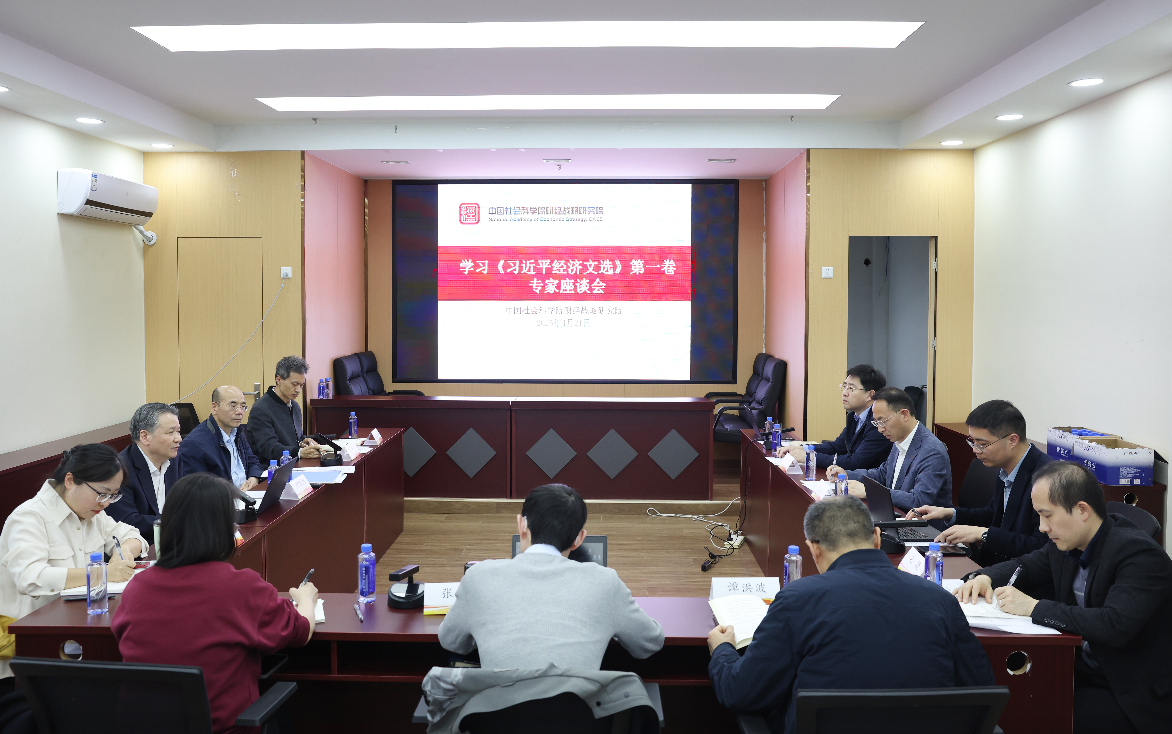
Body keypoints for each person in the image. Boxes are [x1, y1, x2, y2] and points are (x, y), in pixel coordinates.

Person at [708, 496, 993, 734]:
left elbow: (741, 692)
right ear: (877, 538)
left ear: (814, 550)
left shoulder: (798, 600)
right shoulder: (940, 601)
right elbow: (982, 692)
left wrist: (722, 650)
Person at [955, 462, 1172, 734]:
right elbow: (1027, 565)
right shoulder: (1067, 541)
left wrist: (1034, 607)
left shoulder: (1138, 554)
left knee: (1031, 717)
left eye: (1047, 516)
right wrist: (984, 577)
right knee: (1001, 697)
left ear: (1082, 510)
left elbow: (1114, 625)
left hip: (1126, 687)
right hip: (1078, 665)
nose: (1042, 527)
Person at [112, 473, 318, 734]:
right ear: (224, 529)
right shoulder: (239, 586)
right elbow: (300, 631)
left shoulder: (137, 588)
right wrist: (306, 600)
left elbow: (121, 635)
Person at [439, 484, 664, 670]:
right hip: (577, 712)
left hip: (497, 711)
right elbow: (649, 643)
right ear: (579, 539)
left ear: (521, 525)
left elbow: (451, 641)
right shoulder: (605, 582)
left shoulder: (479, 576)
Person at [0, 444, 146, 690]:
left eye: (113, 495)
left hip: (80, 636)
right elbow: (31, 578)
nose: (106, 503)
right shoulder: (29, 517)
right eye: (102, 493)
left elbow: (132, 535)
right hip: (33, 652)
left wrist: (124, 553)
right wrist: (102, 573)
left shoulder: (92, 513)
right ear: (70, 480)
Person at [910, 400, 1051, 566]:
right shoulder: (1006, 468)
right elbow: (992, 515)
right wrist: (948, 513)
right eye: (973, 442)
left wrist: (983, 534)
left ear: (1012, 440)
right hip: (997, 563)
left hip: (1021, 572)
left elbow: (1041, 546)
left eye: (982, 445)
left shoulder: (1047, 479)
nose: (975, 450)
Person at [827, 387, 952, 520]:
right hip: (893, 514)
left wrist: (870, 492)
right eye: (876, 422)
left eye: (883, 421)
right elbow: (883, 474)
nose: (880, 429)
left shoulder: (931, 451)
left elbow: (918, 501)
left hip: (922, 526)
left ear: (904, 414)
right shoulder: (900, 438)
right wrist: (846, 475)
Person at [784, 364, 889, 471]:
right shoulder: (854, 416)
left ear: (870, 395)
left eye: (851, 388)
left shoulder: (879, 423)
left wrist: (810, 457)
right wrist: (802, 448)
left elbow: (855, 462)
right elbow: (837, 447)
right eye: (844, 387)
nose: (845, 393)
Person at [108, 403, 184, 538]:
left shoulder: (174, 460)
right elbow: (128, 521)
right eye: (170, 432)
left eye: (178, 431)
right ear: (145, 436)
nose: (179, 438)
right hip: (139, 544)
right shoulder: (119, 470)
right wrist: (179, 522)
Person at [177, 386, 264, 490]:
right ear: (214, 408)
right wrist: (234, 494)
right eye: (233, 406)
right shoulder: (194, 444)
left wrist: (254, 478)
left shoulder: (237, 432)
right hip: (224, 498)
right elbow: (198, 490)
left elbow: (252, 461)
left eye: (242, 406)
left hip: (248, 495)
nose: (240, 412)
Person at [246, 356, 321, 463]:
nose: (298, 390)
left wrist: (302, 442)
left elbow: (293, 439)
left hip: (294, 464)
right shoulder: (261, 409)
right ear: (279, 380)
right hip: (271, 468)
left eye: (301, 385)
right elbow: (269, 448)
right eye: (294, 384)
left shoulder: (294, 405)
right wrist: (299, 452)